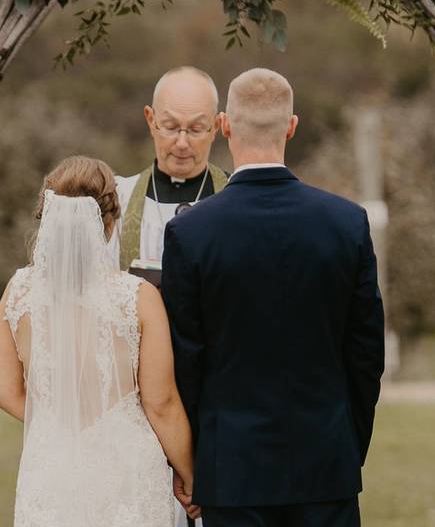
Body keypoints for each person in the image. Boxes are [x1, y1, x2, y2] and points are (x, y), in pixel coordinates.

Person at [162, 68, 385, 527]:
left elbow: (187, 360)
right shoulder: (346, 223)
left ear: (224, 126)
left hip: (231, 471)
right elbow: (366, 354)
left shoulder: (190, 232)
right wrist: (346, 444)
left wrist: (196, 462)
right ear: (291, 126)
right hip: (326, 464)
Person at [0, 156, 195, 527]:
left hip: (51, 466)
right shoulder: (138, 297)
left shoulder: (18, 290)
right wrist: (190, 474)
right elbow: (160, 402)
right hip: (127, 468)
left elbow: (2, 390)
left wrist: (56, 420)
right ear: (110, 224)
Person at [113, 66, 229, 272]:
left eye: (196, 129)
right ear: (151, 120)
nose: (182, 143)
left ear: (216, 126)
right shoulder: (118, 199)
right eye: (171, 127)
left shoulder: (237, 197)